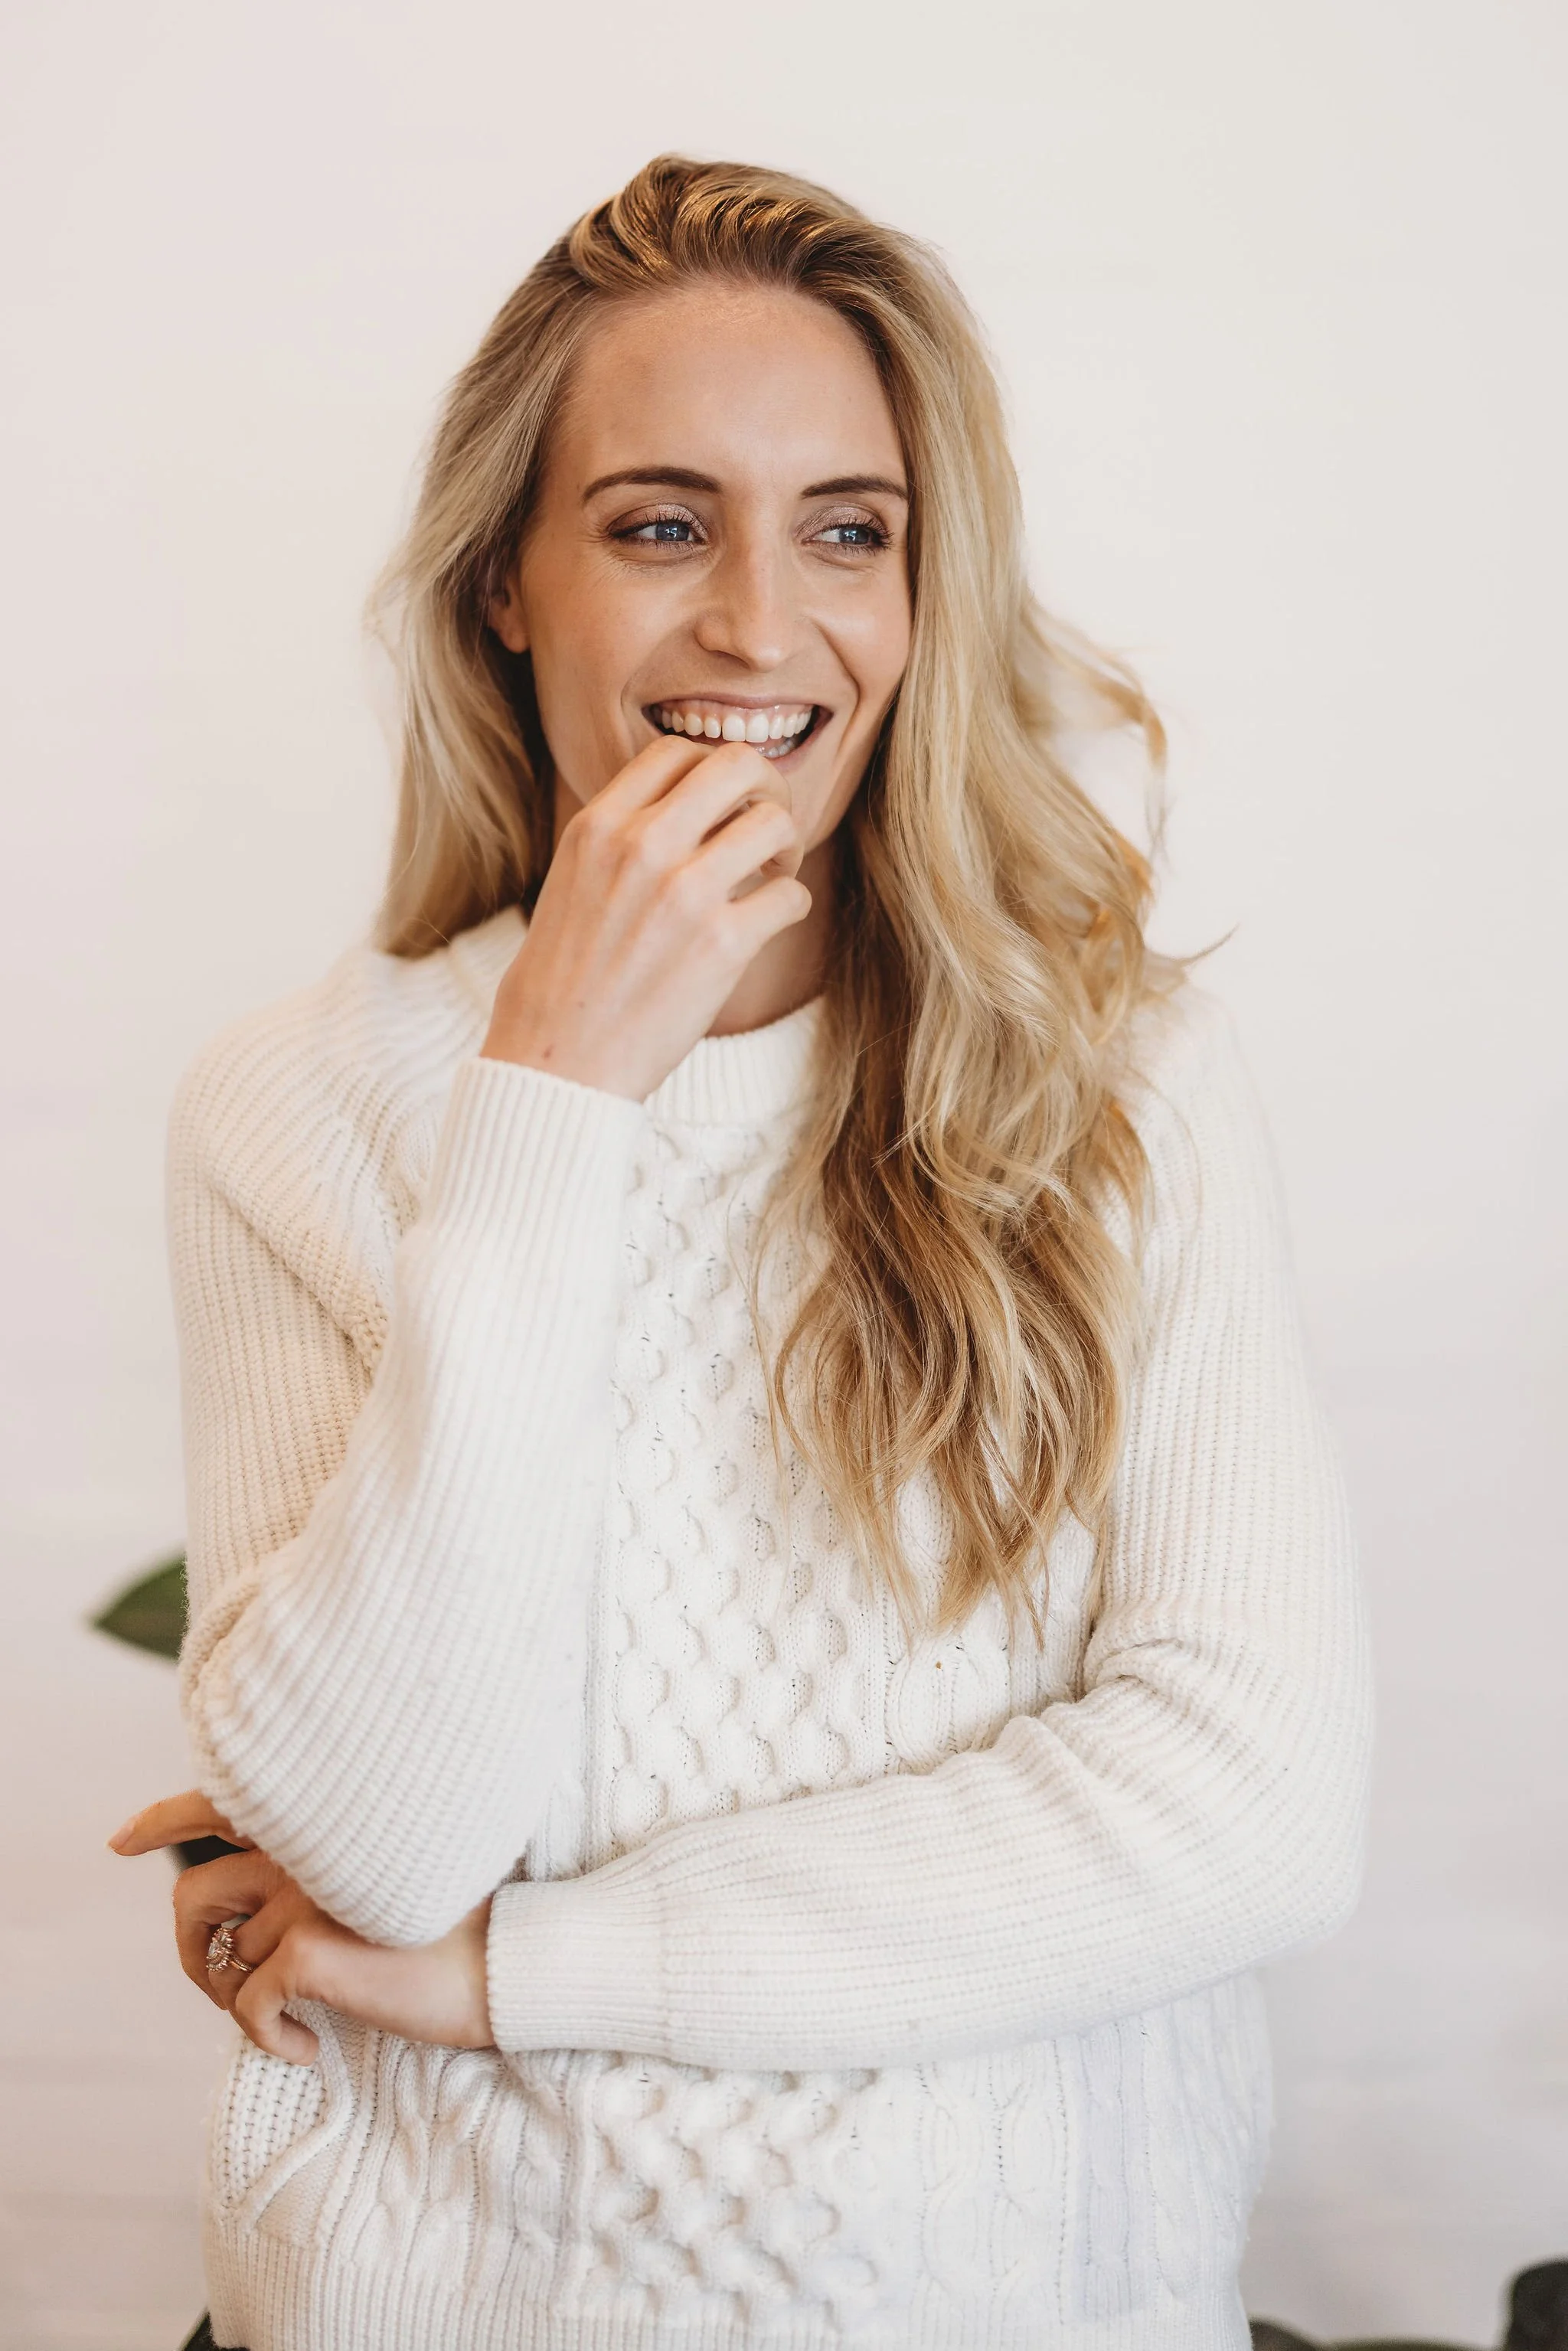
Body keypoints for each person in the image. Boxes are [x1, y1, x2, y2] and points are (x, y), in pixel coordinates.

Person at [109, 155, 1371, 2351]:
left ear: (926, 589)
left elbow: (1251, 1807)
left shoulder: (1119, 1081)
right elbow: (388, 1837)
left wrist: (529, 1975)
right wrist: (557, 1094)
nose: (761, 628)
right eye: (663, 522)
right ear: (512, 578)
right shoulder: (296, 1106)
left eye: (849, 529)